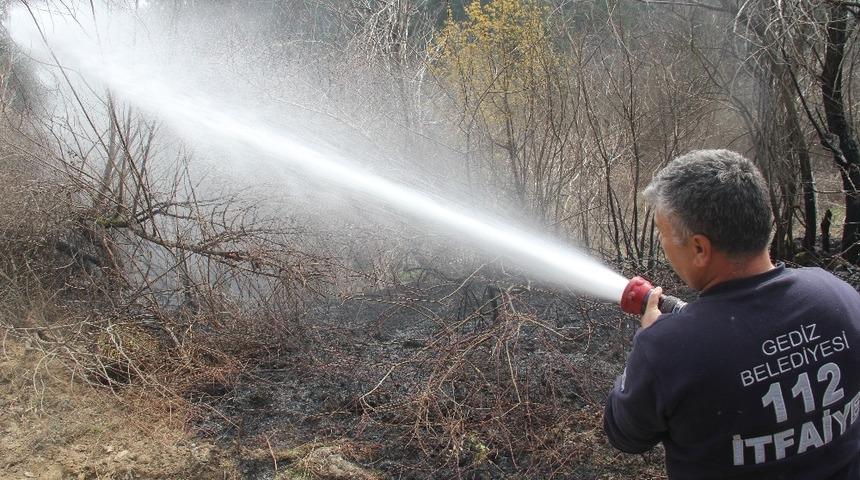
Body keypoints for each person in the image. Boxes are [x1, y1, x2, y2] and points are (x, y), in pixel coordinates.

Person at [603, 150, 860, 479]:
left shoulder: (668, 349)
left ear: (699, 249)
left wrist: (649, 339)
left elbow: (625, 434)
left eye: (662, 233)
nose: (662, 244)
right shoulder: (837, 296)